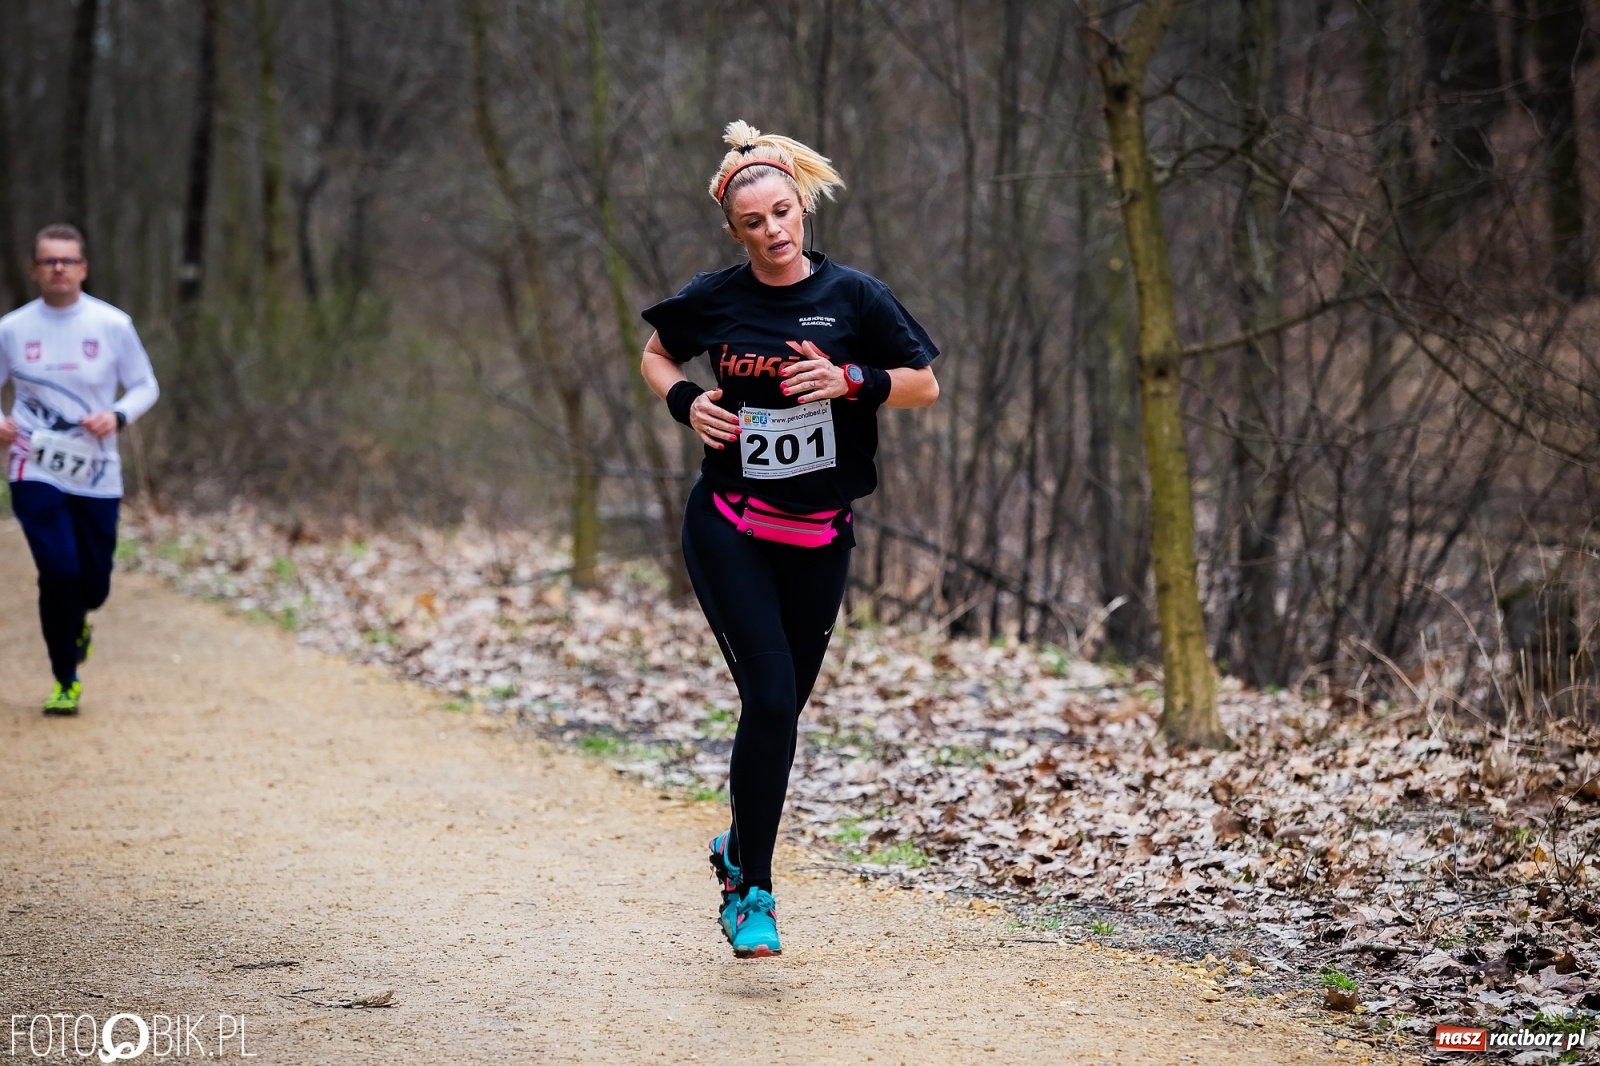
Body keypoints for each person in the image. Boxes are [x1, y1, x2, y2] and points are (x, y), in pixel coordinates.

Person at [640, 121, 939, 958]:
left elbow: (924, 384)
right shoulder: (717, 299)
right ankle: (752, 894)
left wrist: (852, 380)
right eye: (753, 223)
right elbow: (658, 355)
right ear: (733, 231)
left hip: (820, 537)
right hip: (729, 524)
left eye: (782, 213)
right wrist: (685, 403)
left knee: (780, 711)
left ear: (802, 205)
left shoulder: (856, 298)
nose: (773, 231)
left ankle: (737, 844)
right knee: (771, 700)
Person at [0, 223, 160, 715]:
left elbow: (145, 385)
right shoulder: (12, 329)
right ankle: (65, 678)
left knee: (92, 584)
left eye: (67, 260)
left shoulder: (112, 324)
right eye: (49, 261)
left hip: (96, 468)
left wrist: (117, 416)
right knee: (58, 570)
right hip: (33, 462)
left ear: (83, 268)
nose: (58, 269)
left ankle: (78, 619)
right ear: (34, 270)